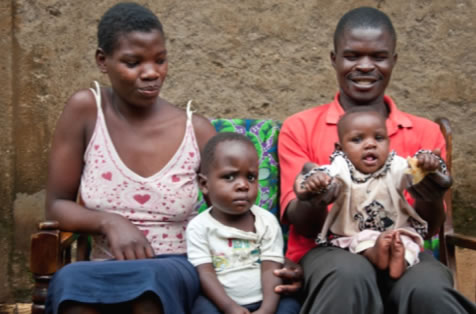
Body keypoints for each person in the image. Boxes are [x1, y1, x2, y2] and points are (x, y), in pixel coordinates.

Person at [278, 6, 476, 314]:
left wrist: (433, 197)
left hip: (404, 250)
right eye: (352, 56)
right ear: (334, 59)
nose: (366, 66)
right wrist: (315, 198)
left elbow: (431, 226)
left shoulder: (424, 133)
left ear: (393, 61)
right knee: (349, 275)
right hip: (328, 251)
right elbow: (301, 224)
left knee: (429, 288)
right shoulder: (300, 127)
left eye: (379, 57)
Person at [44, 3, 218, 313]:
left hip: (173, 266)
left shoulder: (196, 130)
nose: (152, 73)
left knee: (148, 282)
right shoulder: (86, 110)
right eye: (133, 62)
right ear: (103, 60)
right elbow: (57, 205)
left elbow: (231, 210)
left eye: (160, 60)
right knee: (71, 281)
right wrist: (110, 222)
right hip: (103, 266)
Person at [297, 108, 449, 279]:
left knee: (409, 243)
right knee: (361, 242)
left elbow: (414, 173)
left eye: (379, 138)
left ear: (388, 142)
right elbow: (322, 175)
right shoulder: (342, 167)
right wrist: (315, 179)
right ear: (340, 148)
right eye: (357, 139)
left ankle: (401, 262)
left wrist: (427, 164)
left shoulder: (394, 165)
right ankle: (375, 254)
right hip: (356, 233)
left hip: (396, 232)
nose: (370, 144)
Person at [186, 133, 301, 314]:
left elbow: (271, 269)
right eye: (230, 177)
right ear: (204, 184)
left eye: (251, 177)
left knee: (290, 307)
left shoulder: (266, 222)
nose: (243, 185)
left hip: (266, 299)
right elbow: (205, 273)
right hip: (221, 302)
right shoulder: (199, 227)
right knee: (200, 309)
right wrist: (230, 307)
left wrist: (267, 310)